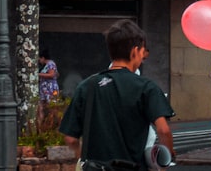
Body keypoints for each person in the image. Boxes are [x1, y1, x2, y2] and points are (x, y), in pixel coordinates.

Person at [60, 20, 175, 170]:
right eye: (142, 52)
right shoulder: (147, 87)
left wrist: (84, 156)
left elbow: (70, 138)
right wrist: (167, 158)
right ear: (135, 51)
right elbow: (163, 130)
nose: (142, 58)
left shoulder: (87, 86)